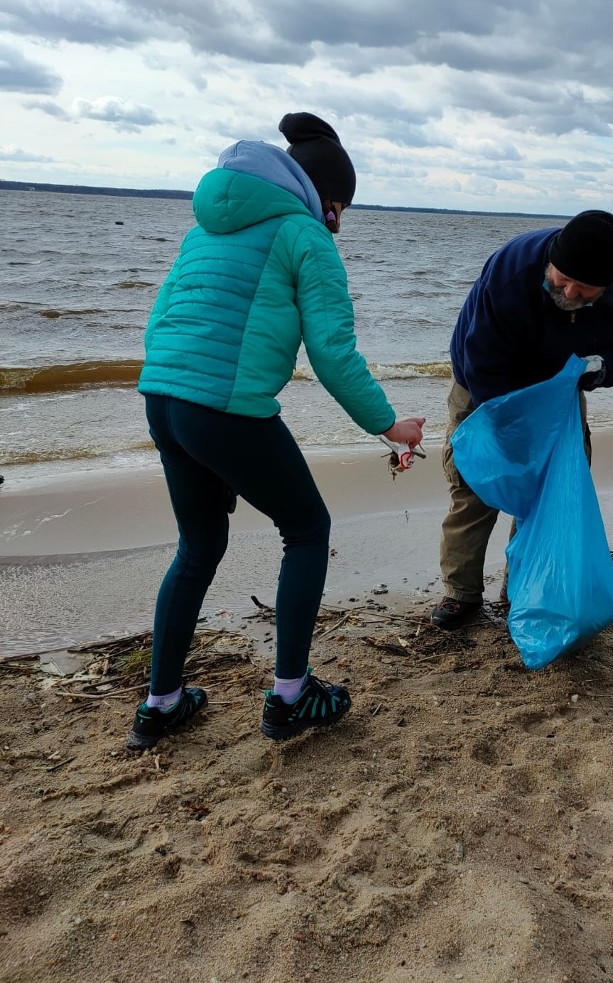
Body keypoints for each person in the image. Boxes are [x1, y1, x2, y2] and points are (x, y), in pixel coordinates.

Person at [128, 113, 424, 749]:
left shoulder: (202, 231)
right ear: (324, 197)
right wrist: (390, 425)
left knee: (198, 546)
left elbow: (160, 325)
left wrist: (178, 393)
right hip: (225, 409)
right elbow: (332, 352)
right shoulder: (305, 235)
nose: (337, 222)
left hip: (163, 400)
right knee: (308, 530)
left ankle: (161, 704)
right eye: (339, 208)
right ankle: (290, 696)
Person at [431, 209, 613, 630]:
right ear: (550, 259)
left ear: (606, 285)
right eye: (561, 279)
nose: (569, 292)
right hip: (486, 390)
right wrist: (509, 429)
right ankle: (461, 593)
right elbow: (480, 359)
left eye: (584, 289)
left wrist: (601, 369)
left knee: (553, 488)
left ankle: (522, 590)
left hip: (559, 395)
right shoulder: (511, 269)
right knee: (476, 484)